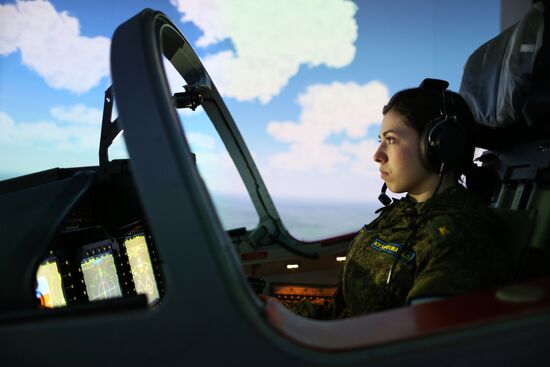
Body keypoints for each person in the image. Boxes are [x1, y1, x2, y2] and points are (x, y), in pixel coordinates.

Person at [286, 78, 510, 319]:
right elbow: (342, 313)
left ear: (440, 145)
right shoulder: (400, 213)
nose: (377, 155)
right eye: (380, 140)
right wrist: (279, 313)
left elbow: (417, 340)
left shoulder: (460, 235)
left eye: (391, 140)